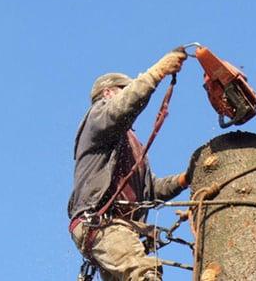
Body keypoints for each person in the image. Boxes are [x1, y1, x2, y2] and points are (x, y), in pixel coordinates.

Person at [68, 49, 188, 281]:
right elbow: (123, 106)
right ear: (108, 93)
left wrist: (186, 178)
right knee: (145, 275)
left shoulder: (130, 143)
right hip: (101, 223)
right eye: (126, 90)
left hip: (118, 228)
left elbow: (149, 191)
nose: (132, 95)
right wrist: (158, 71)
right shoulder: (98, 118)